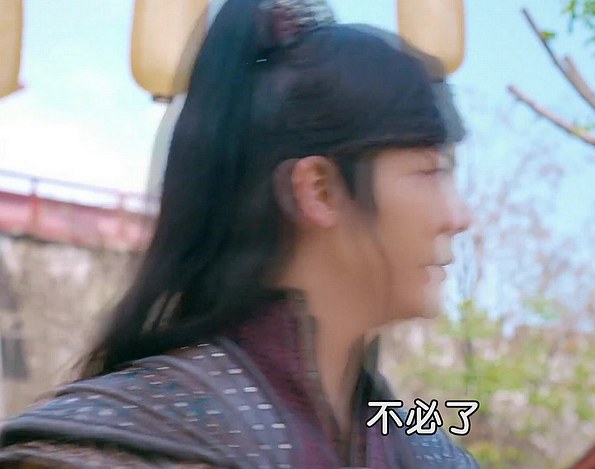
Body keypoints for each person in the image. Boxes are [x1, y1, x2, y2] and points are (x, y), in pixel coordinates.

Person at [0, 0, 478, 467]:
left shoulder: (427, 452)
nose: (458, 216)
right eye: (428, 172)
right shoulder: (123, 444)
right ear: (320, 190)